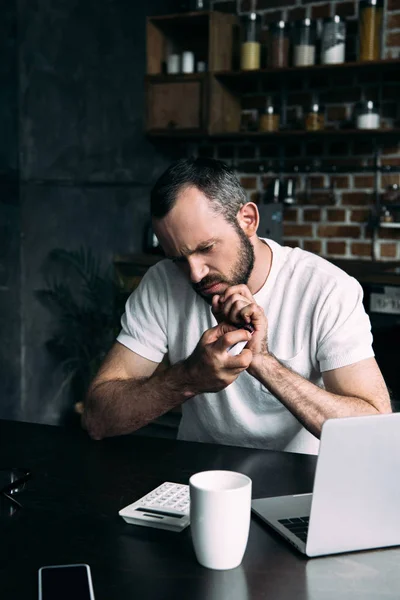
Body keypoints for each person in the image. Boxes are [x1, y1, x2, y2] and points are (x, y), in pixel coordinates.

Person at [83, 157, 391, 454]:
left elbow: (373, 433)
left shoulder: (326, 288)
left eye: (206, 248)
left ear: (247, 221)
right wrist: (187, 378)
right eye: (178, 259)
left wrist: (264, 363)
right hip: (196, 478)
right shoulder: (162, 282)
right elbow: (97, 419)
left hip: (299, 481)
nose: (195, 273)